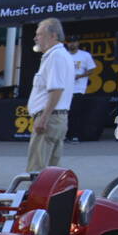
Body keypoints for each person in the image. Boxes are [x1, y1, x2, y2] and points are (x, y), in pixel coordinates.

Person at [27, 17, 74, 173]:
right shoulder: (59, 55)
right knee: (51, 171)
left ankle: (36, 197)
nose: (35, 38)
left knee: (37, 169)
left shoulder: (56, 56)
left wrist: (44, 118)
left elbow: (56, 89)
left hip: (50, 118)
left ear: (53, 35)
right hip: (56, 117)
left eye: (39, 34)